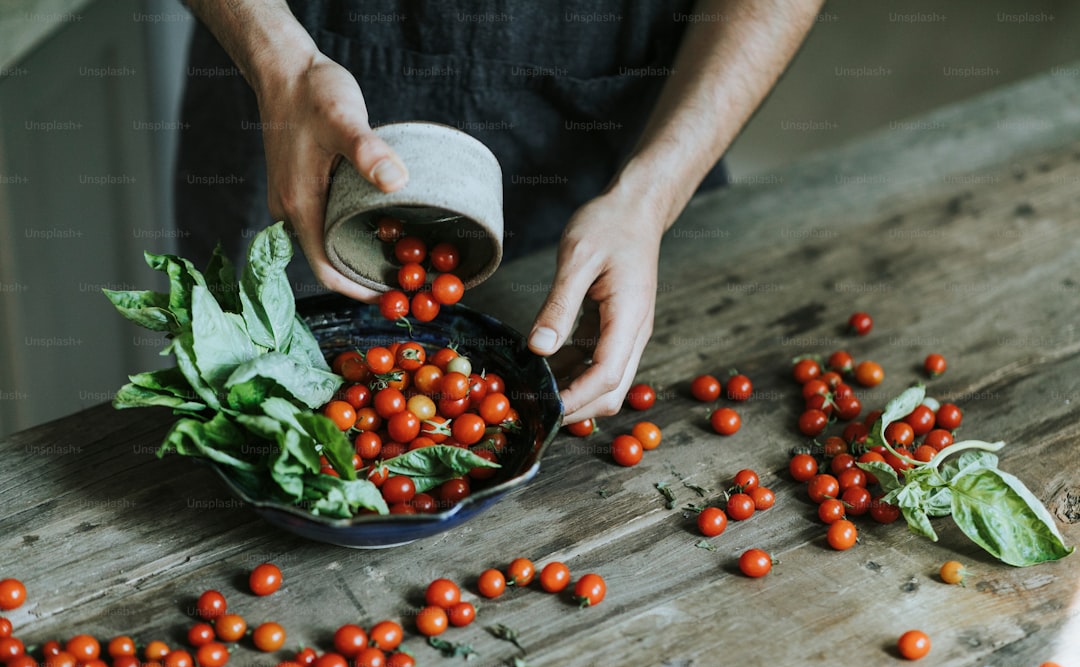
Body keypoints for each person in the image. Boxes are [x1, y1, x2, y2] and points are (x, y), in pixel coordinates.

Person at [177, 0, 824, 425]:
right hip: (296, 94)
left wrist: (651, 197)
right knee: (259, 417)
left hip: (622, 109)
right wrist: (277, 62)